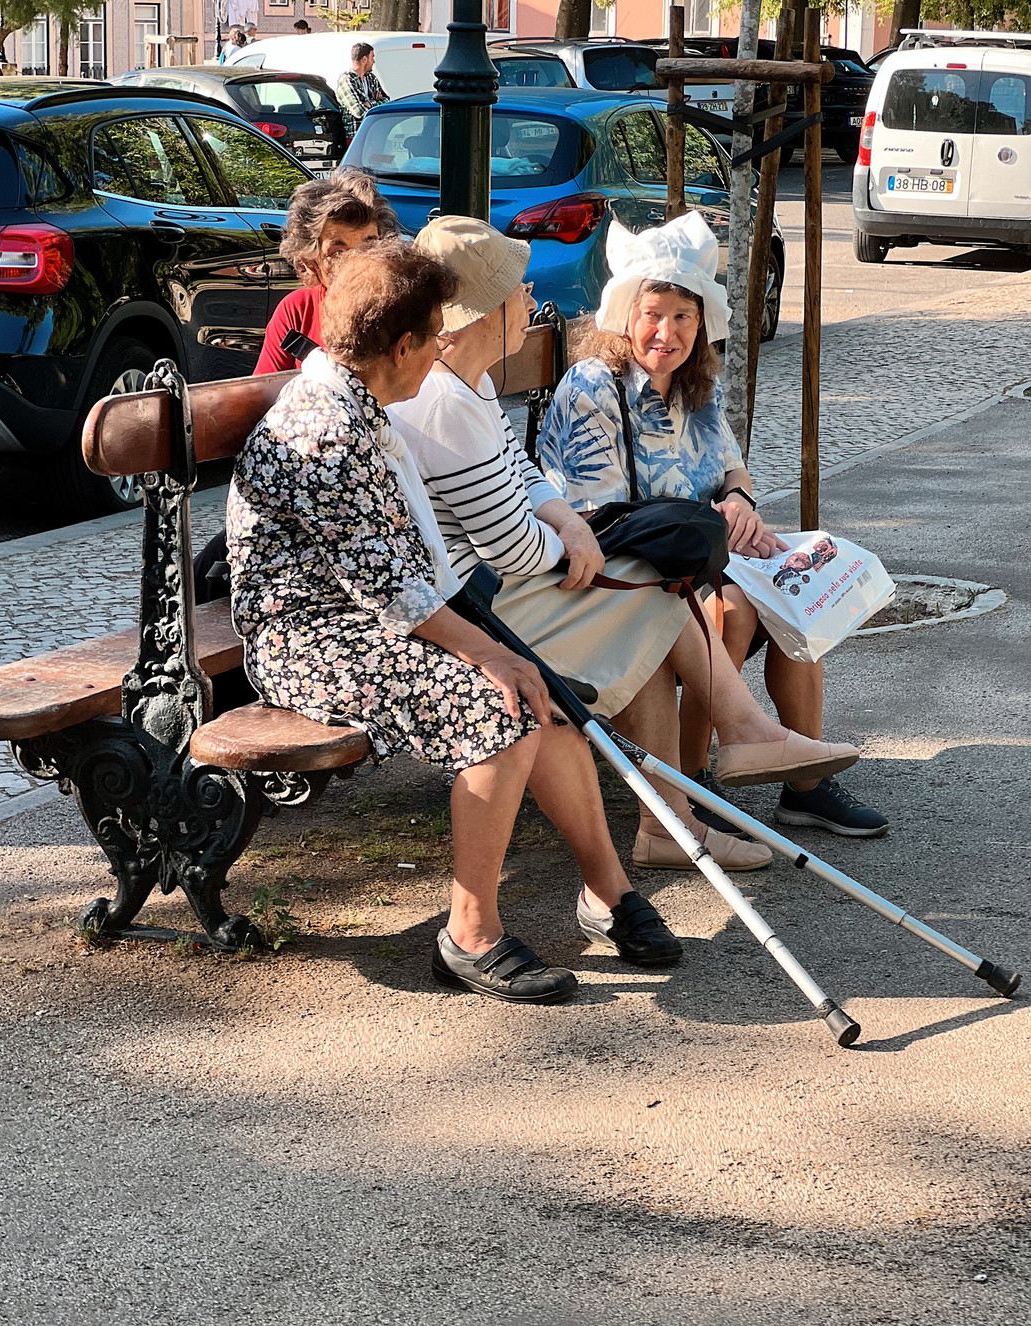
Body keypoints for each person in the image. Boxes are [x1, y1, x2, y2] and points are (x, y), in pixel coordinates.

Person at [226, 239, 686, 1002]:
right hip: (308, 639)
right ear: (402, 345)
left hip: (369, 617)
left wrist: (505, 651)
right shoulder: (326, 432)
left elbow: (405, 581)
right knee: (499, 707)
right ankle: (469, 936)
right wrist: (494, 658)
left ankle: (607, 891)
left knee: (538, 695)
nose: (442, 349)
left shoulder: (357, 398)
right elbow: (395, 594)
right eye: (435, 336)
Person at [390, 217, 859, 879]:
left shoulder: (475, 384)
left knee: (690, 591)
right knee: (661, 594)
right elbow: (512, 545)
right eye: (517, 291)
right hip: (467, 607)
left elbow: (523, 480)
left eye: (683, 317)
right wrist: (574, 542)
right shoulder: (450, 400)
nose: (531, 300)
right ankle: (703, 783)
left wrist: (574, 528)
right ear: (486, 312)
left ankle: (725, 778)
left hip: (494, 581)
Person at [538, 211, 889, 838]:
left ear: (702, 326)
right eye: (654, 313)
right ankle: (697, 780)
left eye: (683, 317)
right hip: (616, 570)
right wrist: (715, 523)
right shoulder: (595, 386)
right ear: (625, 313)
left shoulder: (698, 385)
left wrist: (738, 505)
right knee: (734, 608)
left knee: (790, 596)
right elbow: (603, 517)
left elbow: (733, 470)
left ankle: (801, 786)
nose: (666, 332)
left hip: (696, 557)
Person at [254, 172, 398, 376]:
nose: (356, 262)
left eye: (369, 247)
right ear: (310, 262)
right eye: (337, 253)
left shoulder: (402, 308)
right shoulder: (297, 312)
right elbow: (264, 397)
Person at [336, 41, 390, 141]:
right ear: (364, 59)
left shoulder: (371, 78)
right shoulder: (347, 80)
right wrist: (376, 102)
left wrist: (368, 104)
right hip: (356, 138)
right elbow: (358, 111)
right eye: (372, 57)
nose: (374, 61)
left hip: (374, 134)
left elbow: (387, 100)